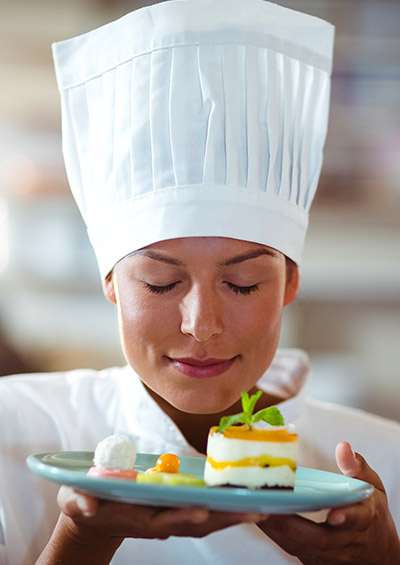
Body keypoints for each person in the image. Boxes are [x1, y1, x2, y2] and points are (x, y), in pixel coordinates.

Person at [0, 1, 399, 564]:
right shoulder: (13, 429)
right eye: (162, 283)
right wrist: (78, 544)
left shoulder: (387, 462)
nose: (202, 324)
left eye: (242, 284)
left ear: (289, 284)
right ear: (111, 281)